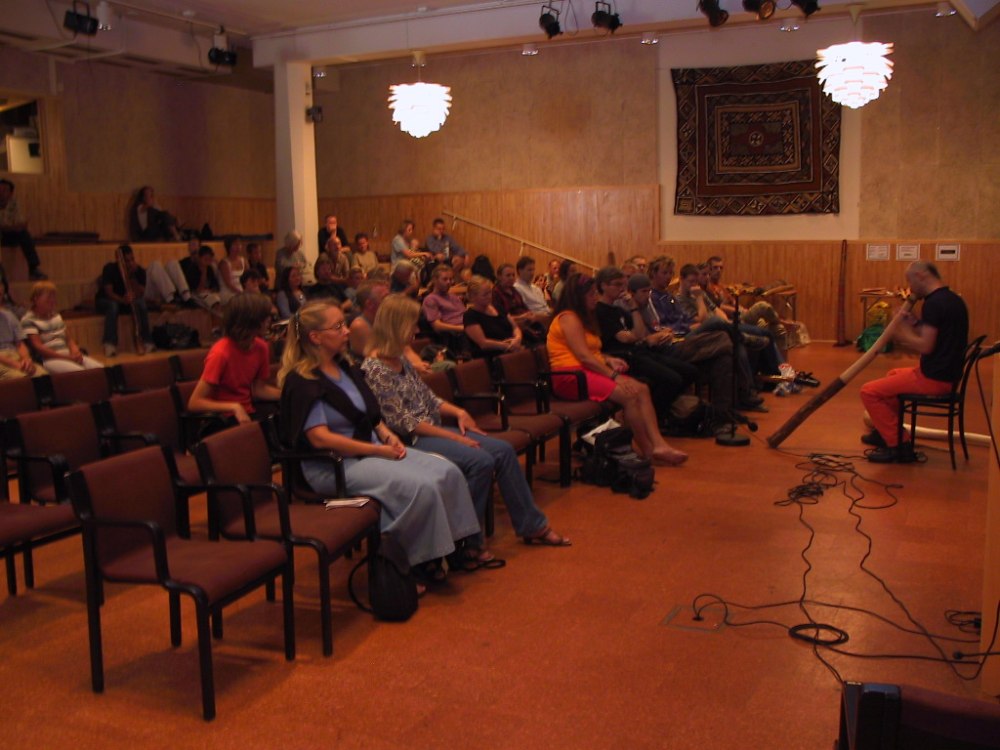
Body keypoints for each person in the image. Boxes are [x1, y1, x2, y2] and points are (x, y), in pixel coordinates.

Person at [278, 299, 484, 582]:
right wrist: (379, 449)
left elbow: (372, 416)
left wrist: (387, 435)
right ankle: (411, 565)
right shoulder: (303, 381)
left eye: (344, 323)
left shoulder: (345, 367)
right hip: (333, 465)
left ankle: (457, 548)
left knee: (448, 472)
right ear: (315, 337)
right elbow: (320, 438)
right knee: (420, 487)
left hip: (370, 450)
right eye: (337, 326)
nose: (347, 331)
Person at [362, 294, 570, 550]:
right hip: (412, 440)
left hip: (433, 430)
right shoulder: (375, 369)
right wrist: (455, 437)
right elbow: (405, 423)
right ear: (396, 325)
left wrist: (459, 413)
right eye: (412, 325)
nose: (416, 331)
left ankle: (532, 524)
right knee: (480, 461)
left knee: (503, 451)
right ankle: (466, 541)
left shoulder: (399, 358)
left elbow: (429, 398)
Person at [546, 273, 687, 466]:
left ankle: (659, 444)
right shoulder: (568, 318)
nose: (595, 297)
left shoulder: (583, 318)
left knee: (642, 389)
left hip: (585, 372)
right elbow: (583, 356)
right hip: (570, 377)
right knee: (629, 395)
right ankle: (648, 450)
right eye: (591, 294)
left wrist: (608, 359)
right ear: (578, 296)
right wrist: (614, 376)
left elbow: (591, 352)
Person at [860, 261, 969, 463]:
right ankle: (885, 433)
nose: (910, 288)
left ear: (921, 276)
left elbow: (925, 346)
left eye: (910, 281)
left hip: (935, 379)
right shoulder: (952, 299)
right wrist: (915, 323)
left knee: (869, 391)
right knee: (893, 375)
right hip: (946, 374)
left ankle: (899, 446)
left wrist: (900, 333)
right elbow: (936, 334)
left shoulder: (934, 304)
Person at [594, 266, 697, 425]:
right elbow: (626, 338)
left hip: (639, 352)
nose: (622, 289)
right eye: (617, 284)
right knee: (672, 379)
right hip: (624, 357)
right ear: (603, 286)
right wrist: (636, 335)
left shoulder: (617, 310)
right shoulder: (600, 311)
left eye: (623, 285)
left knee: (689, 371)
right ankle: (654, 419)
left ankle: (665, 412)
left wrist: (633, 308)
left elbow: (640, 333)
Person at [187, 293, 279, 424]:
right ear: (250, 321)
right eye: (264, 317)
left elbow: (258, 390)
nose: (269, 320)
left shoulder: (261, 347)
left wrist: (288, 394)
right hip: (223, 417)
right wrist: (234, 407)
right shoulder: (221, 353)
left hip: (248, 411)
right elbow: (194, 402)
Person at [21, 281, 103, 372]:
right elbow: (38, 347)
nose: (53, 301)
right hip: (49, 359)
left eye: (54, 296)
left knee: (101, 370)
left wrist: (75, 351)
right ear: (36, 299)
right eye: (49, 297)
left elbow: (69, 339)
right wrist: (67, 358)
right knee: (80, 373)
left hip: (67, 354)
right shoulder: (28, 320)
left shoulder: (56, 316)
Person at [95, 245, 156, 357]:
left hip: (126, 301)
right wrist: (122, 300)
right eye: (127, 261)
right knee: (113, 306)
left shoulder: (139, 271)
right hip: (107, 300)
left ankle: (147, 342)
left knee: (141, 304)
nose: (130, 263)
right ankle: (109, 344)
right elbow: (109, 292)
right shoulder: (109, 268)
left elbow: (140, 293)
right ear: (119, 260)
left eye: (132, 259)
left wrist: (132, 277)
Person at [464, 275, 522, 358]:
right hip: (491, 356)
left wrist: (517, 339)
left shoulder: (498, 307)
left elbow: (515, 327)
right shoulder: (470, 316)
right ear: (473, 297)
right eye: (485, 294)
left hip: (511, 349)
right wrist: (506, 346)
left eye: (490, 292)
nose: (489, 296)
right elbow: (483, 343)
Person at [0, 274, 46, 380]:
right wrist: (14, 364)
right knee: (22, 379)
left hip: (15, 355)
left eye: (0, 294)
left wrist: (26, 359)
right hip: (2, 360)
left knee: (43, 376)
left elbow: (20, 344)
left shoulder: (9, 315)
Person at [0, 179, 46, 280]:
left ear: (10, 193)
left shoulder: (14, 204)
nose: (1, 193)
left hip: (8, 236)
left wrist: (11, 227)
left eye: (4, 190)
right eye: (0, 190)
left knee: (23, 233)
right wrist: (12, 227)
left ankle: (33, 268)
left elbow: (19, 224)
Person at [493, 263, 546, 345]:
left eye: (513, 275)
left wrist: (529, 314)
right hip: (511, 326)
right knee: (537, 339)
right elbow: (501, 318)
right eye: (508, 275)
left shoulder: (514, 290)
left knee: (544, 331)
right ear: (499, 277)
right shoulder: (495, 293)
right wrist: (521, 317)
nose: (511, 278)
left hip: (525, 320)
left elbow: (523, 307)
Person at [421, 264, 468, 354]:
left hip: (468, 327)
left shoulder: (453, 297)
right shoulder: (430, 299)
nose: (449, 282)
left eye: (450, 279)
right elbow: (437, 326)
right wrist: (460, 328)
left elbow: (465, 314)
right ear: (434, 280)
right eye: (445, 279)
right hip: (455, 334)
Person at [349, 280, 390, 360]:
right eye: (385, 298)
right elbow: (379, 360)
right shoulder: (359, 325)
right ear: (370, 304)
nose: (391, 301)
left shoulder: (383, 319)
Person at [181, 245, 223, 314]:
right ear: (200, 258)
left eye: (209, 259)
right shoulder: (193, 269)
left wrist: (211, 290)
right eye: (205, 259)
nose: (208, 261)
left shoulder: (210, 269)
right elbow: (197, 290)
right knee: (213, 300)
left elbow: (215, 285)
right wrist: (203, 272)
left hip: (208, 293)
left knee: (218, 298)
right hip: (195, 295)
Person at [513, 256, 552, 321]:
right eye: (529, 270)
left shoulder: (536, 288)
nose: (532, 273)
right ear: (520, 271)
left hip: (547, 317)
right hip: (535, 321)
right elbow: (526, 313)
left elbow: (546, 308)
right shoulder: (516, 288)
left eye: (533, 270)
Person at [217, 236, 246, 303]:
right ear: (229, 246)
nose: (238, 246)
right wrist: (242, 293)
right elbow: (229, 284)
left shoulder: (243, 260)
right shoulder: (224, 263)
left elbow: (248, 277)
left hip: (241, 290)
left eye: (239, 244)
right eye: (235, 244)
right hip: (228, 292)